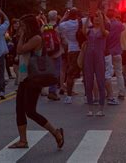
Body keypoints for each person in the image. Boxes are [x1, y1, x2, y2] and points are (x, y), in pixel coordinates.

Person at [9, 14, 63, 149]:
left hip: (34, 79)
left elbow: (20, 49)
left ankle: (56, 132)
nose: (20, 28)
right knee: (19, 109)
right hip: (24, 78)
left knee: (30, 111)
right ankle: (23, 140)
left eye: (22, 26)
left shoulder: (36, 38)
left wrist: (21, 35)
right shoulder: (28, 37)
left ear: (29, 26)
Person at [83, 11, 108, 117]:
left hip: (99, 58)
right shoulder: (90, 31)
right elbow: (83, 31)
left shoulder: (105, 31)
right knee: (88, 83)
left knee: (100, 82)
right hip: (88, 58)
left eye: (99, 18)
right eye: (96, 18)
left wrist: (102, 19)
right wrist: (88, 18)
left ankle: (101, 108)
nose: (97, 19)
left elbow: (103, 31)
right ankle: (90, 108)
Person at [58, 8, 81, 104]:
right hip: (82, 49)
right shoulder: (80, 23)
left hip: (71, 49)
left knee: (70, 73)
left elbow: (59, 25)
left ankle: (69, 96)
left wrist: (64, 17)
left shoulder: (65, 25)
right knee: (87, 72)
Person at [106, 9, 125, 101]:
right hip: (117, 51)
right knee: (119, 73)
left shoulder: (106, 25)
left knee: (107, 74)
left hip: (107, 52)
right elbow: (123, 28)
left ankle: (108, 92)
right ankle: (121, 92)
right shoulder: (119, 24)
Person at [46, 10, 64, 101]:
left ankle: (50, 90)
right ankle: (52, 91)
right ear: (56, 17)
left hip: (48, 52)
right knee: (56, 72)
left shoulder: (45, 26)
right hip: (57, 52)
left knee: (50, 71)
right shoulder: (58, 27)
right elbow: (62, 38)